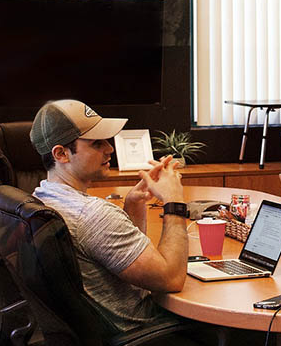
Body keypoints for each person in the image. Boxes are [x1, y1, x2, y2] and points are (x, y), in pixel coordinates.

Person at [30, 99, 192, 333]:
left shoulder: (42, 196)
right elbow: (171, 279)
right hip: (144, 334)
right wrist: (174, 202)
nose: (110, 148)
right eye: (96, 143)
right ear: (61, 153)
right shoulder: (92, 215)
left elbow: (118, 256)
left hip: (92, 336)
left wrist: (133, 203)